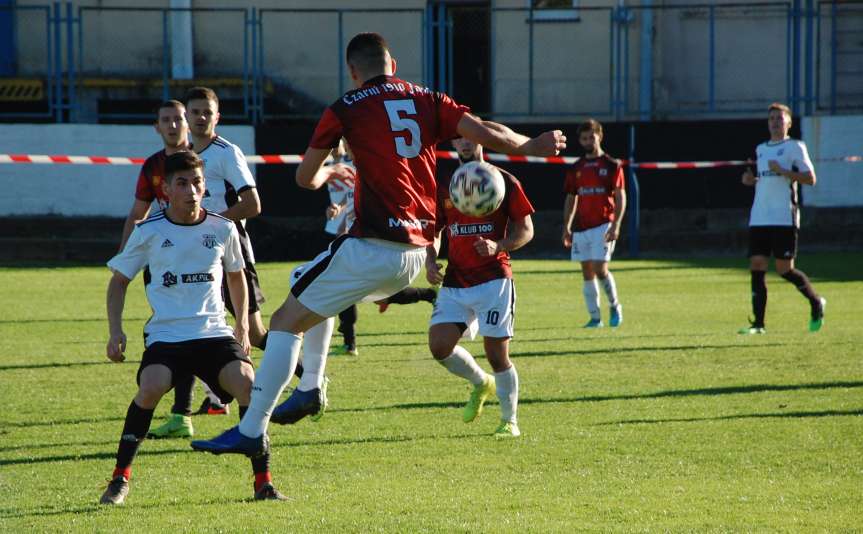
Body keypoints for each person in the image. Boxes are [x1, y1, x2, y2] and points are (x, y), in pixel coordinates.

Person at [190, 32, 565, 457]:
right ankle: (310, 387)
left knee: (281, 323)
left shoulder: (345, 108)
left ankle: (255, 426)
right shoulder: (428, 99)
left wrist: (327, 176)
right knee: (305, 282)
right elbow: (483, 129)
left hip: (373, 245)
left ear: (352, 71)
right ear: (394, 64)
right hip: (413, 252)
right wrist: (529, 145)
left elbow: (303, 178)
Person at [100, 151, 285, 505]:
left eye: (197, 182)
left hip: (214, 334)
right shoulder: (149, 232)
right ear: (167, 189)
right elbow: (118, 281)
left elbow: (236, 277)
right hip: (167, 336)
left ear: (205, 186)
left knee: (249, 386)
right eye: (182, 183)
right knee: (151, 387)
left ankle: (263, 483)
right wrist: (115, 331)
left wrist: (244, 327)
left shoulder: (222, 227)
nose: (191, 189)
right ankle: (119, 479)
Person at [118, 100, 230, 442]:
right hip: (165, 256)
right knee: (177, 327)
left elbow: (243, 200)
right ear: (156, 127)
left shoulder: (210, 155)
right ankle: (184, 412)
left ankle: (304, 376)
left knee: (232, 328)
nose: (172, 125)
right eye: (164, 120)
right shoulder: (153, 167)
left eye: (177, 119)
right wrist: (125, 256)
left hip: (211, 253)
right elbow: (138, 211)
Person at [427, 137, 534, 438]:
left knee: (497, 355)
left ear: (482, 138)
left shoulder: (504, 181)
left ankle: (509, 421)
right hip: (456, 280)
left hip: (494, 280)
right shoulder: (446, 184)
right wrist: (431, 259)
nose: (463, 142)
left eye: (469, 136)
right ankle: (480, 382)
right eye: (458, 136)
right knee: (439, 346)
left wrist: (498, 244)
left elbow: (526, 230)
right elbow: (434, 230)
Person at [738, 102, 826, 334]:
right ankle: (758, 323)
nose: (775, 123)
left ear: (788, 123)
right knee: (757, 265)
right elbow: (766, 180)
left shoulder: (795, 147)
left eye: (779, 118)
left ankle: (816, 302)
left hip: (783, 216)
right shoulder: (761, 149)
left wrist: (785, 172)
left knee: (784, 269)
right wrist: (751, 181)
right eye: (771, 119)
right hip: (759, 216)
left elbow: (810, 178)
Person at [561, 119, 626, 328]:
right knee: (587, 271)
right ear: (580, 141)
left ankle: (615, 306)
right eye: (584, 138)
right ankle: (595, 318)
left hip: (603, 225)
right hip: (581, 226)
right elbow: (571, 198)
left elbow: (620, 196)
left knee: (600, 268)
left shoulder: (612, 165)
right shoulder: (576, 168)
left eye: (592, 136)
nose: (589, 141)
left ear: (600, 136)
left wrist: (616, 224)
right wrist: (567, 227)